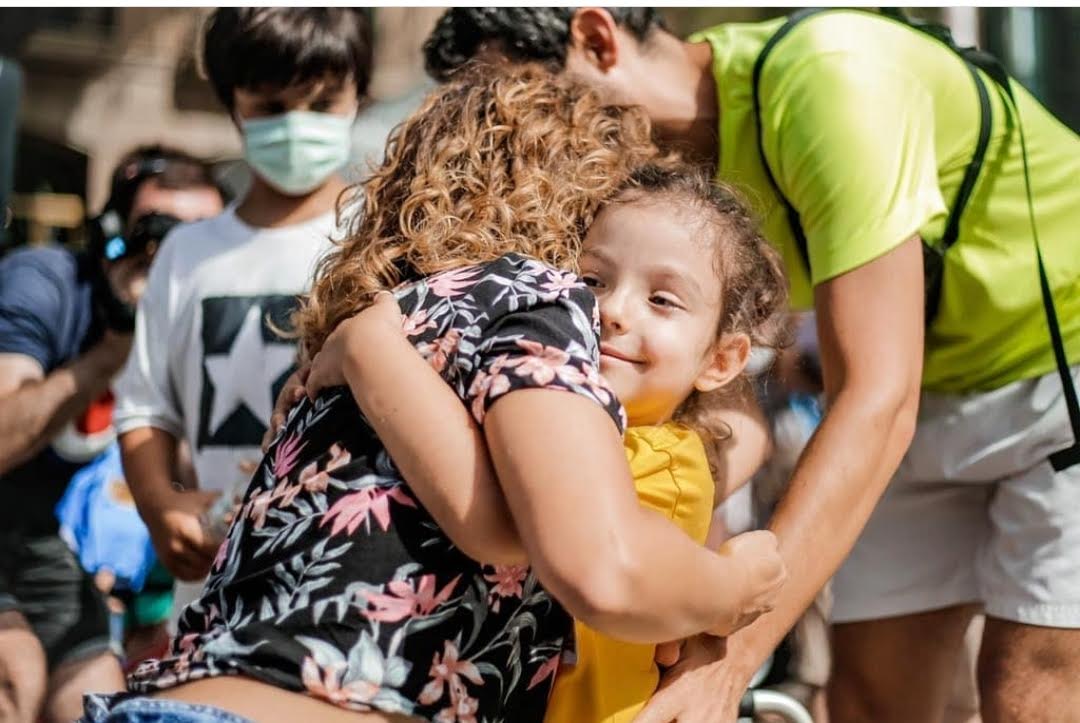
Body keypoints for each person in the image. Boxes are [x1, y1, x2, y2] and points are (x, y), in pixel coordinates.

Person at [423, 7, 1080, 722]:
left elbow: (877, 400)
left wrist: (730, 656)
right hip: (931, 388)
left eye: (534, 97)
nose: (527, 131)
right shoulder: (652, 164)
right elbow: (727, 406)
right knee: (874, 700)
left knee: (1030, 690)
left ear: (596, 38)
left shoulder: (828, 79)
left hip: (1057, 357)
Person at [84, 64, 784, 723]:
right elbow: (594, 562)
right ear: (581, 200)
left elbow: (518, 512)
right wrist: (735, 589)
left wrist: (368, 347)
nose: (606, 305)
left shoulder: (380, 340)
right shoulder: (533, 300)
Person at [294, 163, 790, 723]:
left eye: (663, 300)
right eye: (594, 280)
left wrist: (375, 349)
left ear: (722, 360)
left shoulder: (661, 461)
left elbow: (494, 506)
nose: (613, 310)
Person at [113, 8, 374, 622]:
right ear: (231, 102)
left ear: (359, 93)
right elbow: (146, 406)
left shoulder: (382, 234)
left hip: (351, 585)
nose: (296, 124)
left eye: (321, 101)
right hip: (214, 595)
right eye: (271, 105)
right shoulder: (187, 253)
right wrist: (160, 503)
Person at [0, 145, 223, 723]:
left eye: (206, 239)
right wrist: (112, 350)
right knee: (13, 668)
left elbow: (203, 482)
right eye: (162, 232)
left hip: (36, 542)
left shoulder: (196, 325)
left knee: (103, 702)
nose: (181, 256)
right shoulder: (46, 282)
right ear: (111, 234)